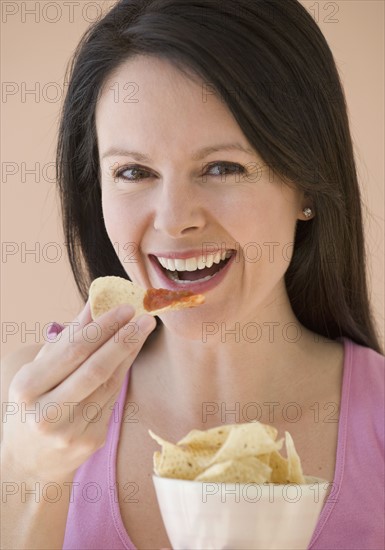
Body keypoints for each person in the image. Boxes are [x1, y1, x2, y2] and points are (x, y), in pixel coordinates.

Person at [1, 0, 384, 548]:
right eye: (133, 171)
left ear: (307, 187)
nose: (176, 219)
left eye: (222, 167)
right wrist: (31, 476)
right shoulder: (19, 407)